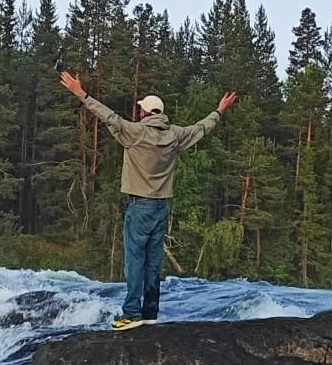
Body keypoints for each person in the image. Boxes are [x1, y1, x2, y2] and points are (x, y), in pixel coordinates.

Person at [59, 71, 238, 329]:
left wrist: (81, 94)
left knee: (134, 261)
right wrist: (219, 111)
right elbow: (202, 128)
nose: (139, 112)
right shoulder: (175, 135)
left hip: (139, 207)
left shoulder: (135, 132)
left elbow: (107, 115)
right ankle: (150, 313)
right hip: (161, 208)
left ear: (146, 113)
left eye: (141, 109)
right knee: (153, 263)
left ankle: (130, 314)